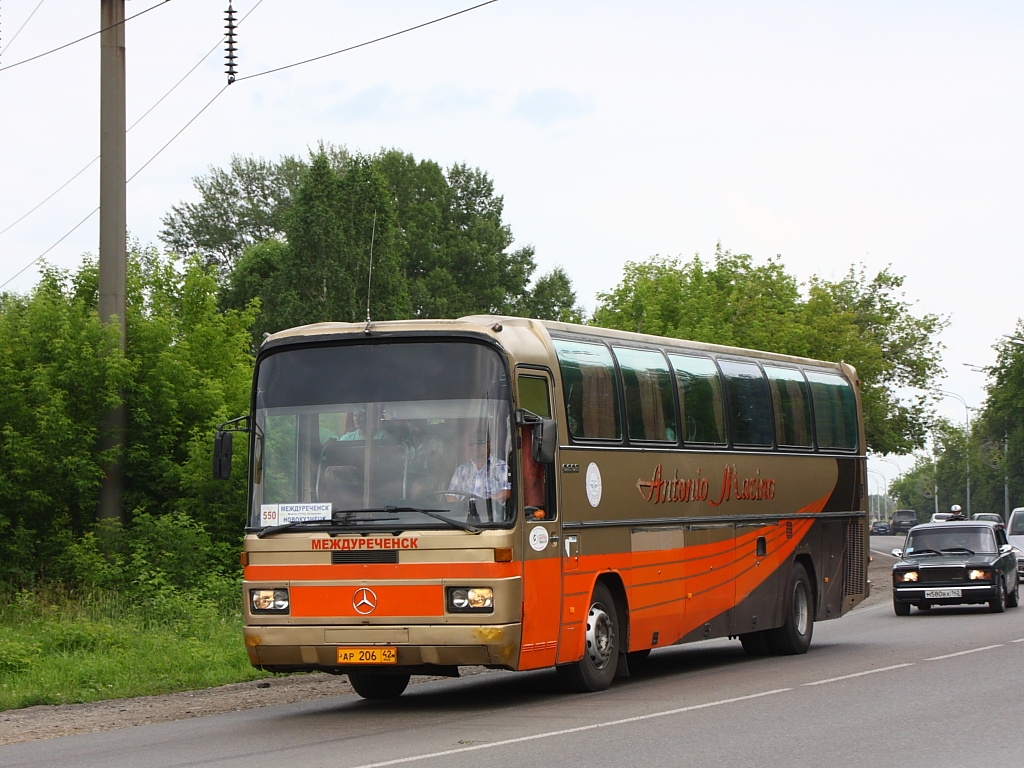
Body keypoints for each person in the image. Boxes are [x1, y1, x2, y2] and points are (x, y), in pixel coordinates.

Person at [447, 435, 511, 503]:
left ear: (489, 444)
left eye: (479, 443)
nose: (475, 446)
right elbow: (451, 496)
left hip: (489, 512)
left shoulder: (501, 467)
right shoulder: (461, 470)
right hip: (464, 512)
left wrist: (485, 503)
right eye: (472, 443)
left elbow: (505, 492)